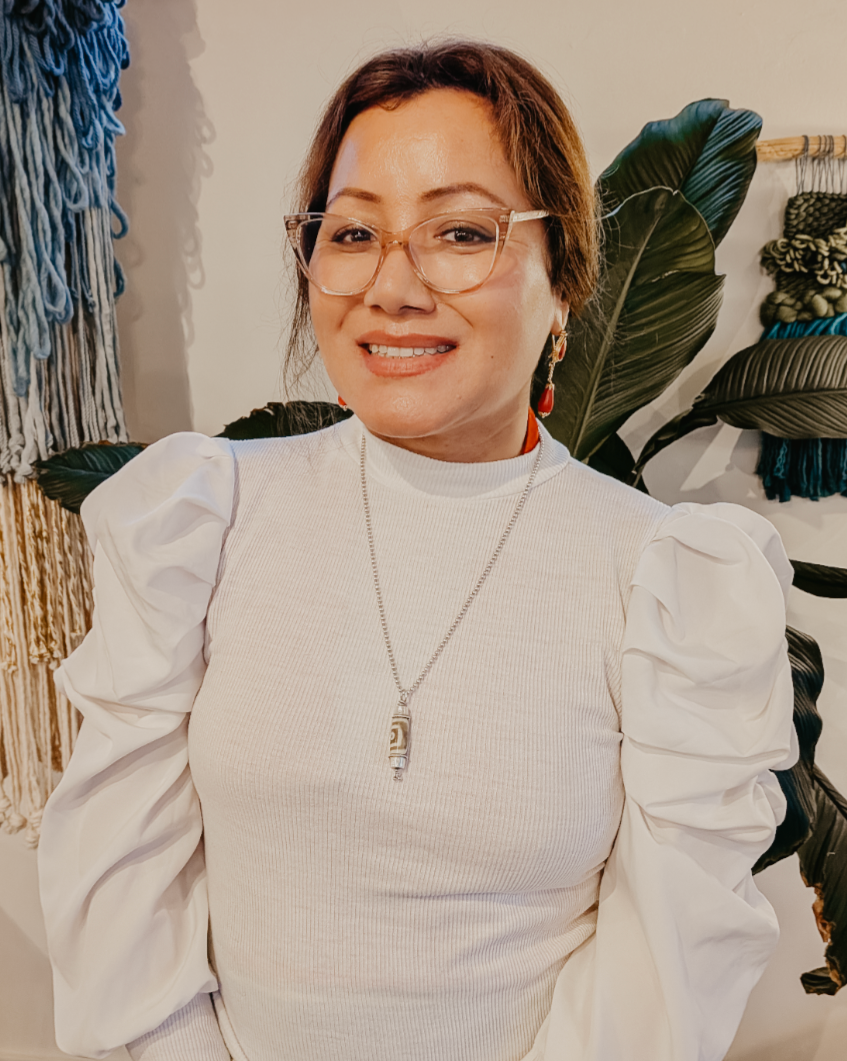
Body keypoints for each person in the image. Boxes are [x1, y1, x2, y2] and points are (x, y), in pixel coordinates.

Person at [37, 39, 796, 1061]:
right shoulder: (203, 516)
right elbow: (121, 882)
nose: (391, 285)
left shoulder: (662, 576)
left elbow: (665, 967)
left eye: (460, 232)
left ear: (565, 275)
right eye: (351, 231)